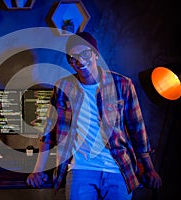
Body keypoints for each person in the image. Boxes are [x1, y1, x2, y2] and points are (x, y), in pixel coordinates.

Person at [26, 31, 162, 200]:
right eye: (73, 57)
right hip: (80, 170)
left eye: (85, 53)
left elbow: (137, 130)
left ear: (96, 54)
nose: (80, 60)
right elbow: (48, 132)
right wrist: (37, 171)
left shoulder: (122, 85)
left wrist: (149, 169)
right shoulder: (63, 87)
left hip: (117, 168)